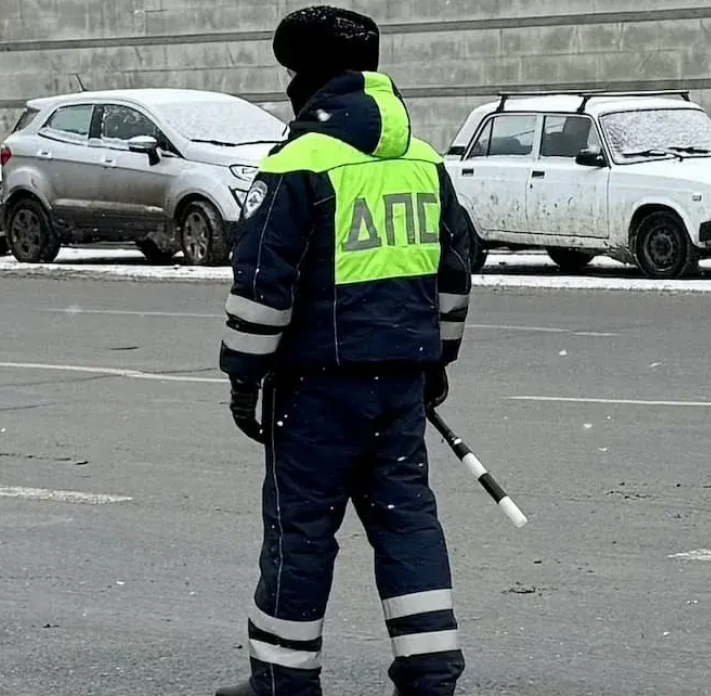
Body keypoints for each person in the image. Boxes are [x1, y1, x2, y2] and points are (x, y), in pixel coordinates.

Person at [214, 6, 478, 696]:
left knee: (300, 536)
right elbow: (454, 274)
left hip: (317, 394)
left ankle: (282, 682)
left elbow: (261, 290)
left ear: (306, 78)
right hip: (400, 386)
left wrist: (243, 379)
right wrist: (436, 365)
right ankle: (432, 676)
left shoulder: (300, 162)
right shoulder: (425, 162)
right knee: (407, 528)